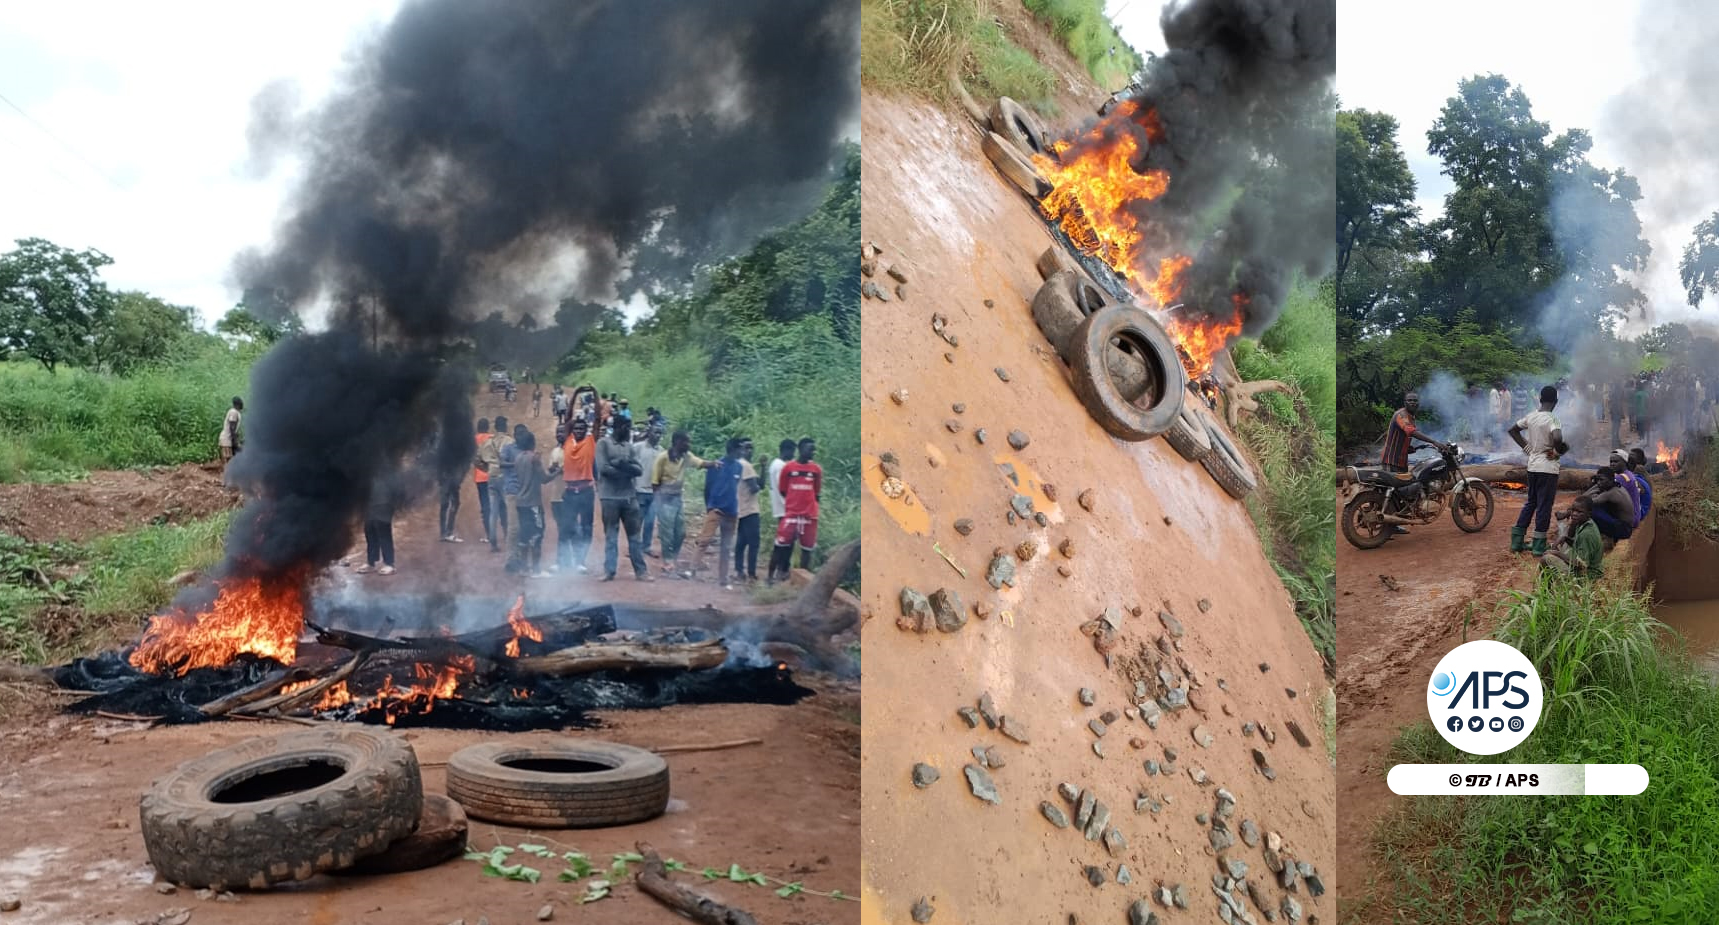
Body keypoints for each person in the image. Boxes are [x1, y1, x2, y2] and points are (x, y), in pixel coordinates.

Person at [1507, 385, 1565, 555]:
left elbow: (1513, 430)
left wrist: (1527, 448)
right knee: (1544, 506)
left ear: (1540, 399)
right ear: (1556, 402)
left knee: (1531, 502)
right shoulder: (1553, 419)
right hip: (1548, 468)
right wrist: (1556, 451)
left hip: (1532, 466)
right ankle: (1539, 546)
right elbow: (1558, 437)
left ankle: (1517, 542)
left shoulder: (1531, 416)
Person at [596, 415, 653, 581]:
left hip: (629, 496)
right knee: (611, 536)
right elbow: (603, 468)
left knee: (635, 536)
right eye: (626, 427)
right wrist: (626, 469)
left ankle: (641, 571)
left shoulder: (630, 446)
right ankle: (609, 571)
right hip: (609, 497)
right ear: (618, 427)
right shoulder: (603, 443)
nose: (629, 431)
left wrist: (620, 465)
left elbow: (639, 470)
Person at [653, 430, 716, 575]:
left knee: (680, 532)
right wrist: (658, 504)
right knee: (667, 532)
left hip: (677, 498)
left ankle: (672, 558)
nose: (688, 444)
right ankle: (668, 561)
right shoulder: (662, 458)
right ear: (677, 442)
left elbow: (700, 463)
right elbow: (655, 482)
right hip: (664, 499)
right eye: (686, 441)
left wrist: (715, 464)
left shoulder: (686, 457)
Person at [688, 438, 745, 589]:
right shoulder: (716, 465)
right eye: (740, 449)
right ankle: (692, 570)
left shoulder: (739, 467)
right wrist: (709, 506)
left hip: (731, 511)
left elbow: (735, 487)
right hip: (716, 509)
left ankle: (723, 578)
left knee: (726, 546)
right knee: (704, 540)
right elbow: (708, 487)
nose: (743, 452)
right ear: (733, 449)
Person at [772, 437, 824, 577]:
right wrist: (794, 503)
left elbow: (817, 493)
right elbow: (783, 490)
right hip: (791, 513)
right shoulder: (788, 468)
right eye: (810, 449)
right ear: (800, 449)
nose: (813, 452)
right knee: (783, 544)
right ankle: (777, 574)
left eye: (814, 450)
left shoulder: (816, 470)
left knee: (807, 549)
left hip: (809, 515)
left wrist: (810, 508)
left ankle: (802, 578)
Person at [511, 430, 550, 578]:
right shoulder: (535, 458)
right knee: (537, 534)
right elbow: (544, 479)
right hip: (533, 503)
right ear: (532, 443)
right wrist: (557, 471)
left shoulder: (518, 458)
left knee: (524, 535)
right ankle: (536, 570)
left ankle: (523, 569)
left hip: (520, 503)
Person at [562, 417, 597, 572]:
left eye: (582, 429)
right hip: (570, 491)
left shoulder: (590, 441)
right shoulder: (568, 441)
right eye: (576, 429)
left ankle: (581, 560)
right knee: (570, 526)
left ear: (586, 430)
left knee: (587, 526)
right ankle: (573, 557)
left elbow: (597, 421)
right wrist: (575, 396)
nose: (579, 431)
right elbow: (567, 418)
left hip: (586, 491)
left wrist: (594, 394)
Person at [1381, 392, 1448, 473]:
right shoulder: (1402, 415)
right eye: (1409, 400)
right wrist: (1434, 442)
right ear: (1404, 403)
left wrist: (1409, 448)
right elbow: (1411, 431)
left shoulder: (1411, 416)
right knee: (1395, 485)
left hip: (1402, 461)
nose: (1412, 402)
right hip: (1391, 460)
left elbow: (1404, 435)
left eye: (1415, 400)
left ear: (1418, 403)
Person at [1542, 495, 1604, 580]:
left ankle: (1555, 589)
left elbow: (1581, 565)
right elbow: (1578, 543)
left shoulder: (1587, 534)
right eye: (1573, 510)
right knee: (1554, 547)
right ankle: (1549, 588)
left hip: (1588, 575)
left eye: (1579, 512)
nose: (1574, 514)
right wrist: (1565, 538)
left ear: (1589, 513)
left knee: (1547, 558)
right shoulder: (1585, 522)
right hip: (1584, 567)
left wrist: (1556, 554)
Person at [476, 415, 513, 551]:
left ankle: (493, 543)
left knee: (493, 511)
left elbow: (476, 459)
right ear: (505, 426)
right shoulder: (510, 441)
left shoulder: (488, 442)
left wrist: (486, 468)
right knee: (508, 508)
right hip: (505, 477)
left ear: (496, 427)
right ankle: (509, 540)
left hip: (491, 476)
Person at [733, 437, 763, 583]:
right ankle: (751, 573)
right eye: (746, 448)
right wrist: (756, 482)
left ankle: (739, 570)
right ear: (740, 449)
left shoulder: (738, 464)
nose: (750, 451)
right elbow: (755, 488)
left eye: (751, 448)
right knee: (753, 542)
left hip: (740, 508)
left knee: (742, 541)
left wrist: (762, 467)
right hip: (750, 509)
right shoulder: (746, 466)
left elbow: (759, 484)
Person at [357, 471, 397, 576]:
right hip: (370, 502)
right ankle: (371, 563)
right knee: (369, 531)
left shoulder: (387, 464)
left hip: (384, 502)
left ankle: (390, 564)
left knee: (383, 533)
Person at [1584, 466, 1636, 541]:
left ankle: (1590, 537)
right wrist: (1597, 485)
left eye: (1601, 480)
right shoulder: (1617, 486)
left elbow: (1585, 501)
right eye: (1597, 480)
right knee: (1598, 505)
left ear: (1611, 480)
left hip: (1624, 530)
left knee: (1590, 510)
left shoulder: (1611, 493)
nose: (1598, 482)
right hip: (1624, 526)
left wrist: (1594, 487)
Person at [636, 426, 665, 555]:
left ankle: (646, 546)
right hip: (639, 489)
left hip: (655, 492)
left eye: (660, 433)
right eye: (655, 432)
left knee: (650, 521)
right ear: (649, 433)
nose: (658, 435)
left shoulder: (662, 451)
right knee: (637, 521)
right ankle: (634, 546)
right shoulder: (638, 447)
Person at [544, 423, 566, 573]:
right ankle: (564, 560)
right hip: (556, 495)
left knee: (567, 529)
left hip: (568, 495)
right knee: (562, 529)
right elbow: (551, 470)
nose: (559, 434)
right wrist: (554, 469)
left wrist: (559, 470)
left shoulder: (571, 450)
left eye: (562, 432)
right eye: (558, 432)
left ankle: (564, 560)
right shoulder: (555, 451)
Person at [473, 418, 495, 546]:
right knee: (497, 504)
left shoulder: (474, 440)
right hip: (493, 475)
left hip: (480, 477)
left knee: (485, 506)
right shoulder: (492, 438)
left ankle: (488, 534)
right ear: (487, 427)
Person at [768, 438, 794, 527]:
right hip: (784, 506)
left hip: (779, 506)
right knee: (786, 535)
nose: (793, 455)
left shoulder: (775, 463)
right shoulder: (780, 466)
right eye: (792, 451)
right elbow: (783, 487)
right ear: (786, 450)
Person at [1626, 448, 1653, 521]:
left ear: (1638, 460)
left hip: (1639, 510)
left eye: (1631, 457)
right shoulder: (1639, 470)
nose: (1628, 458)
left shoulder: (1638, 469)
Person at [219, 397, 244, 466]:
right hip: (226, 440)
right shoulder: (233, 412)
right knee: (228, 462)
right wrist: (235, 442)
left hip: (229, 439)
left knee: (230, 461)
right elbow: (232, 428)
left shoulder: (236, 412)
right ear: (238, 404)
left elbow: (235, 429)